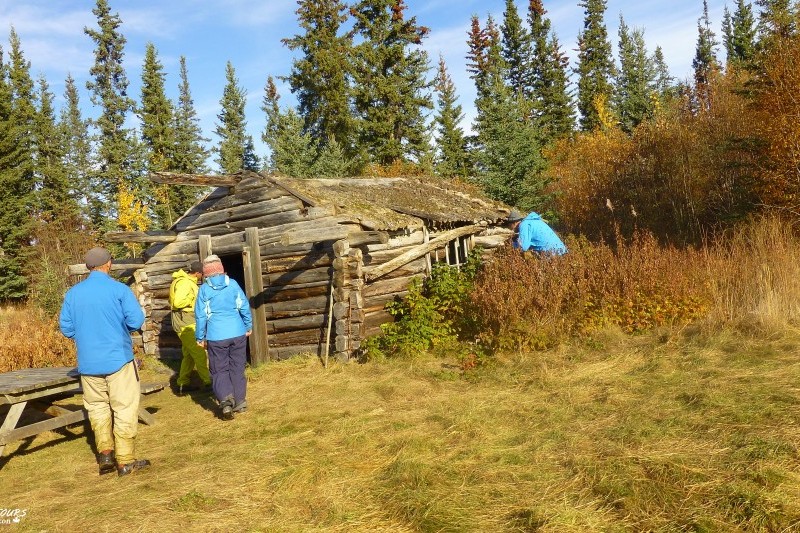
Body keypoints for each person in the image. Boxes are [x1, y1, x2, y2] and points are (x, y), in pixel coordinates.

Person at [59, 247, 151, 477]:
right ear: (108, 264)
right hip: (118, 359)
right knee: (124, 408)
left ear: (89, 267)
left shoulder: (73, 294)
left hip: (88, 363)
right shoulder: (119, 290)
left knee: (97, 408)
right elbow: (136, 320)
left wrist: (85, 335)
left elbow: (66, 328)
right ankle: (125, 461)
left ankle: (106, 454)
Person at [194, 255, 252, 421]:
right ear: (221, 269)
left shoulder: (204, 290)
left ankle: (226, 401)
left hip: (216, 335)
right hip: (238, 332)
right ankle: (240, 401)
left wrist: (200, 336)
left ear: (206, 273)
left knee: (219, 369)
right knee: (237, 367)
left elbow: (201, 316)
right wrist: (248, 326)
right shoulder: (233, 284)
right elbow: (244, 306)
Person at [169, 261, 211, 395]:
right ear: (198, 273)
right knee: (199, 352)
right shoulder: (185, 283)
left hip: (187, 321)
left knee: (189, 355)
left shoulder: (187, 281)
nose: (202, 276)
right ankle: (208, 383)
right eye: (202, 274)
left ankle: (182, 384)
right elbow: (178, 302)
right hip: (185, 322)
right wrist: (194, 298)